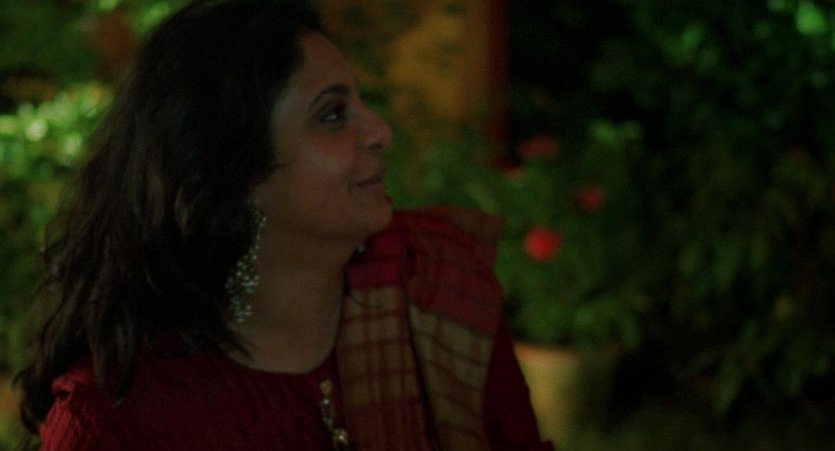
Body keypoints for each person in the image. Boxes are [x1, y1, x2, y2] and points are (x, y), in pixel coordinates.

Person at [15, 0, 553, 449]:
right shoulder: (120, 421)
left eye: (361, 101)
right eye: (332, 115)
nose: (381, 131)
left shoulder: (434, 286)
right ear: (233, 175)